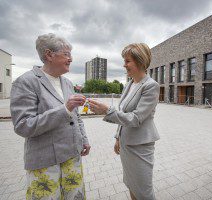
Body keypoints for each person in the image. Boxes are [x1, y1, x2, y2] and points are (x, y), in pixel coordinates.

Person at [10, 33, 91, 200]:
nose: (71, 59)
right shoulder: (26, 82)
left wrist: (84, 139)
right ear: (49, 55)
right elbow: (23, 125)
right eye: (66, 54)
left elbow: (76, 116)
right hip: (45, 161)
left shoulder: (67, 83)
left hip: (72, 156)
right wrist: (64, 109)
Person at [88, 43, 160, 200]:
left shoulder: (150, 86)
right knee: (131, 183)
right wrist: (118, 137)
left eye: (128, 61)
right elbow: (123, 113)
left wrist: (107, 111)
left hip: (140, 147)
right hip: (126, 144)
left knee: (144, 191)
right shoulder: (129, 84)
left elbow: (136, 118)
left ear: (140, 61)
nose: (124, 64)